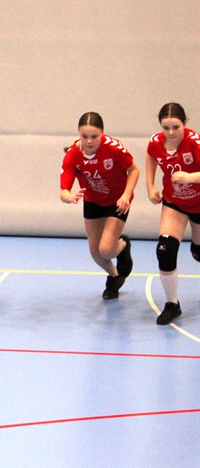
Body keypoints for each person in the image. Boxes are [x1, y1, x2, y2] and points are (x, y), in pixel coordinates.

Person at [60, 112, 139, 299]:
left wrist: (126, 195)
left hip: (117, 200)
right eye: (84, 136)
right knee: (95, 252)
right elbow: (63, 191)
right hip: (92, 201)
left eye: (94, 136)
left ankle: (123, 244)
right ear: (79, 134)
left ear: (102, 133)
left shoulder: (114, 148)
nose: (89, 141)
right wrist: (69, 197)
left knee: (106, 249)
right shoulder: (72, 155)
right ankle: (115, 276)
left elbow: (134, 170)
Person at [145, 102, 200, 325]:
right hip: (174, 202)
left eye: (176, 127)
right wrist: (150, 185)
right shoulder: (156, 142)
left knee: (199, 252)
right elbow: (150, 157)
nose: (171, 132)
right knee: (165, 250)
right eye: (165, 127)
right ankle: (172, 304)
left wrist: (191, 177)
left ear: (185, 123)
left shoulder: (194, 142)